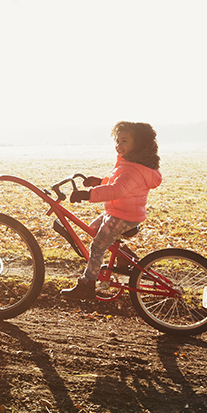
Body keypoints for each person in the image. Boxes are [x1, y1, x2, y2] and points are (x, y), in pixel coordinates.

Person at [60, 122, 163, 299]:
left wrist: (87, 195)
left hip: (123, 216)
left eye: (124, 140)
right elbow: (117, 183)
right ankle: (123, 258)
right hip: (119, 212)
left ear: (139, 144)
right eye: (117, 140)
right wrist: (100, 181)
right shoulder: (131, 165)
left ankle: (87, 284)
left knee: (98, 245)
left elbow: (117, 190)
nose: (118, 145)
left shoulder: (133, 170)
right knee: (93, 230)